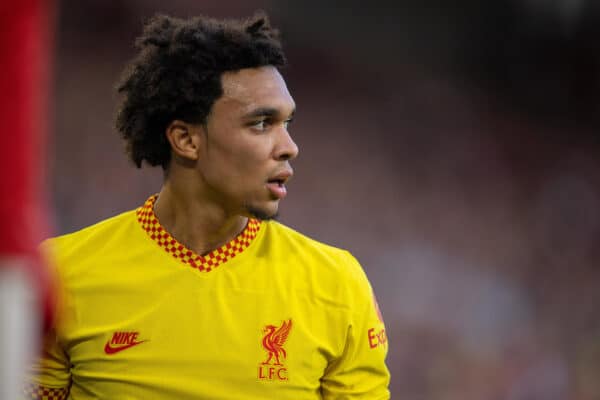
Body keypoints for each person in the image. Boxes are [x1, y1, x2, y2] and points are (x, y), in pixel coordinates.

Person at [25, 12, 390, 399]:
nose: (289, 147)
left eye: (288, 123)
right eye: (262, 123)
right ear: (186, 139)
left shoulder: (336, 284)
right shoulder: (61, 275)